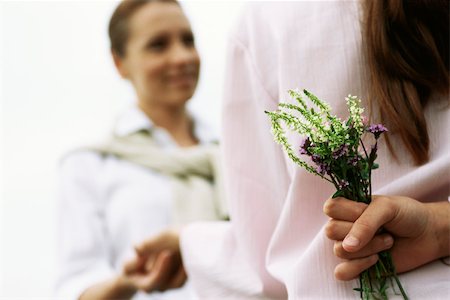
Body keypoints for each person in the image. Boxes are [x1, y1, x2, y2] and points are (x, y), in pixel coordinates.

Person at [135, 1, 449, 299]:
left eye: (188, 41)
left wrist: (191, 245)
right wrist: (438, 225)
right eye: (158, 45)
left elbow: (266, 260)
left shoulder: (268, 20)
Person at [54, 1, 226, 299]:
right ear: (119, 62)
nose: (182, 56)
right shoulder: (89, 163)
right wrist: (127, 281)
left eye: (188, 40)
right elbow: (75, 285)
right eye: (158, 45)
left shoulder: (230, 152)